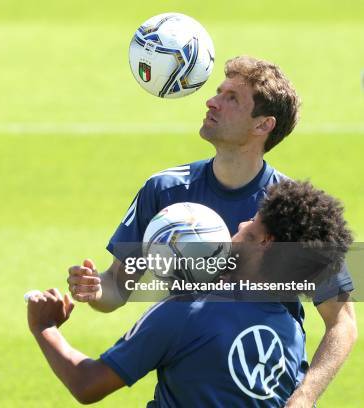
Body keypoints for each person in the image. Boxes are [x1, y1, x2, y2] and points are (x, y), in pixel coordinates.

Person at [66, 56, 357, 406]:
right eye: (218, 91)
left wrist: (305, 395)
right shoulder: (164, 190)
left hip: (257, 387)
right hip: (186, 382)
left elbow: (342, 322)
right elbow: (118, 286)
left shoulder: (291, 209)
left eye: (232, 98)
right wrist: (95, 288)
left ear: (263, 125)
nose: (211, 101)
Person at [29, 180, 353, 406]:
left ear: (265, 241)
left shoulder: (186, 312)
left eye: (252, 221)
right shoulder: (290, 333)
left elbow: (88, 384)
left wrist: (45, 327)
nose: (240, 223)